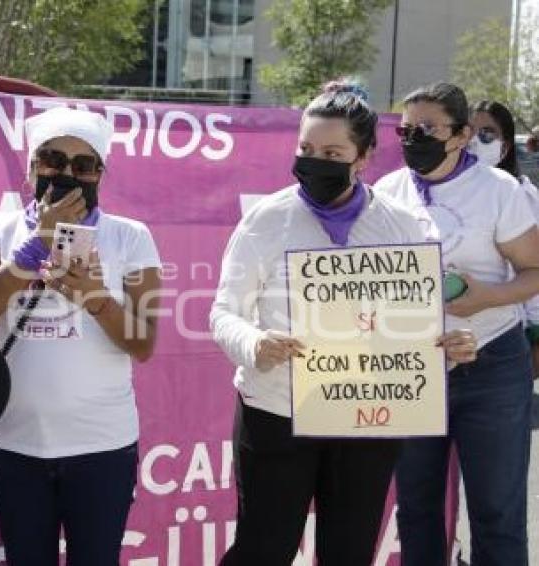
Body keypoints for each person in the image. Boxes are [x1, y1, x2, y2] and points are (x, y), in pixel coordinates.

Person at [211, 81, 477, 566]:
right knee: (263, 549)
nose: (315, 161)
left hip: (366, 419)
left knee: (349, 551)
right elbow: (223, 312)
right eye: (306, 149)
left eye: (332, 151)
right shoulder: (266, 220)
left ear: (364, 156)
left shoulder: (400, 224)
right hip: (276, 412)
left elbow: (419, 321)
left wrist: (450, 343)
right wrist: (253, 341)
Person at [0, 106, 162, 565]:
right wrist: (37, 245)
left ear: (100, 174)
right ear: (32, 168)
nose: (67, 173)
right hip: (17, 442)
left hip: (102, 446)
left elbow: (144, 343)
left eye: (83, 164)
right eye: (52, 159)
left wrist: (96, 298)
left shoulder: (130, 237)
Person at [374, 82, 539, 566]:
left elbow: (535, 272)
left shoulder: (499, 191)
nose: (412, 139)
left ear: (462, 134)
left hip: (491, 367)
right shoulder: (389, 191)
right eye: (405, 130)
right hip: (414, 370)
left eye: (427, 128)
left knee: (496, 514)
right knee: (417, 510)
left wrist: (487, 298)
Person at [470, 100, 539, 378]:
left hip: (509, 340)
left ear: (506, 146)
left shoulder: (524, 197)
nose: (475, 142)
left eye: (487, 134)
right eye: (469, 132)